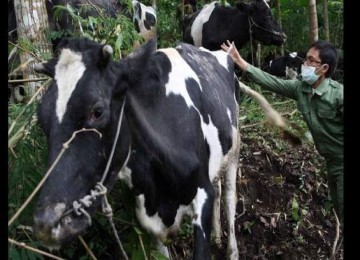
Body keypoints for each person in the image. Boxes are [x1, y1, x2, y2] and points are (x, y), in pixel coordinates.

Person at [221, 40, 343, 223]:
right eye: (306, 59)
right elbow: (271, 82)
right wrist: (240, 62)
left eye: (311, 60)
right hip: (331, 163)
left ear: (324, 68)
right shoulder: (301, 89)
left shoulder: (338, 95)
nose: (305, 64)